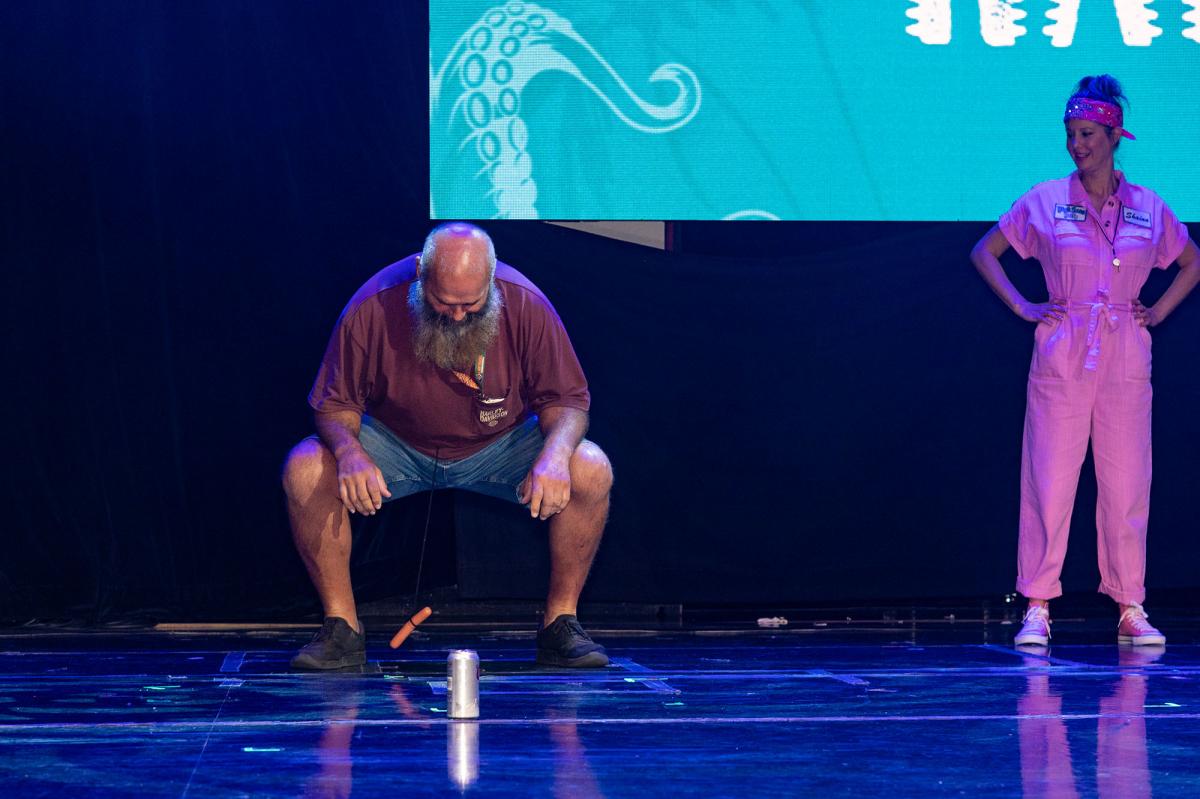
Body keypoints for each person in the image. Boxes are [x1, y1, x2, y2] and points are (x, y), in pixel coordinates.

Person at [282, 222, 614, 669]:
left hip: (500, 445)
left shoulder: (526, 302)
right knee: (305, 466)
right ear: (421, 274)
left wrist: (554, 457)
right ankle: (341, 628)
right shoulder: (372, 305)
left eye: (471, 305)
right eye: (444, 302)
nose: (458, 316)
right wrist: (348, 452)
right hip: (398, 445)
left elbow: (568, 402)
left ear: (491, 280)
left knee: (590, 466)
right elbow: (333, 405)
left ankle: (560, 624)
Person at [971, 75, 1200, 647]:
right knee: (1049, 479)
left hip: (1126, 351)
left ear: (1115, 136)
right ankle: (1037, 605)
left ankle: (1130, 605)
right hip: (1064, 348)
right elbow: (985, 252)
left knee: (1126, 483)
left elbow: (1192, 261)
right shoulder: (1046, 200)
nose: (1077, 145)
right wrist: (1025, 306)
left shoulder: (1148, 207)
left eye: (1088, 134)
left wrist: (1159, 311)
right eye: (1071, 134)